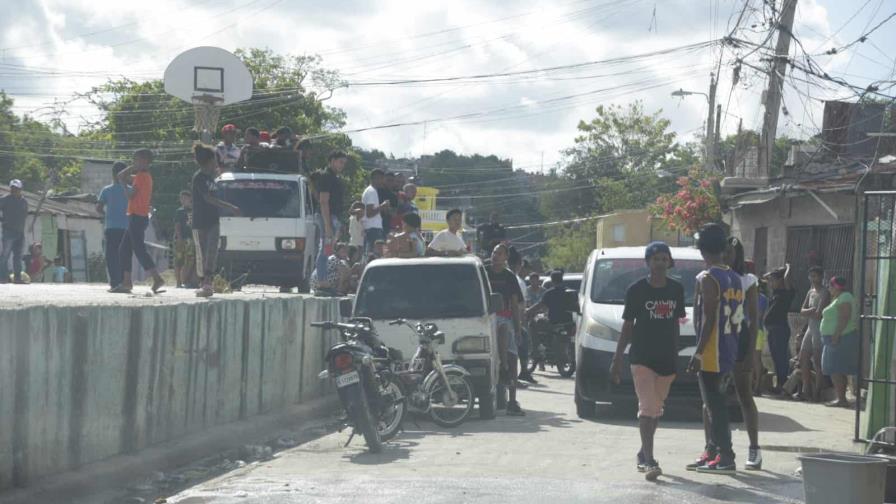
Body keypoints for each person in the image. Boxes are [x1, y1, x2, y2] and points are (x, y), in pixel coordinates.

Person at [610, 241, 685, 481]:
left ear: (669, 262)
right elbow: (628, 324)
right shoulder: (636, 290)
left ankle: (643, 451)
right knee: (647, 408)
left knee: (656, 409)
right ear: (648, 262)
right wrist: (618, 358)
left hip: (667, 359)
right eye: (656, 259)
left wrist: (677, 356)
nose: (660, 263)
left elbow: (676, 324)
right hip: (642, 357)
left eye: (664, 259)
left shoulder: (676, 289)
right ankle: (649, 460)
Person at [687, 223, 743, 475]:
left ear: (702, 250)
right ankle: (712, 451)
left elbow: (708, 319)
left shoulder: (707, 278)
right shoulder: (734, 277)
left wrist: (697, 352)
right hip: (729, 348)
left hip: (712, 352)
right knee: (715, 404)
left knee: (715, 406)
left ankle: (726, 456)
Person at [721, 237, 763, 470]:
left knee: (744, 395)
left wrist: (751, 352)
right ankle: (713, 447)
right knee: (713, 398)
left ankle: (754, 448)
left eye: (730, 252)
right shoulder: (711, 277)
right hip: (717, 341)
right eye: (723, 252)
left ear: (738, 254)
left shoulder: (748, 281)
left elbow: (754, 318)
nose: (726, 256)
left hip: (739, 339)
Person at [191, 143, 242, 298]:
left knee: (212, 250)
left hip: (213, 219)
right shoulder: (199, 178)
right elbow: (208, 198)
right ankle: (204, 282)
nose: (216, 161)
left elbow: (219, 173)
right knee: (204, 252)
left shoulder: (211, 177)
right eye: (214, 158)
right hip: (201, 219)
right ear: (208, 161)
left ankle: (208, 281)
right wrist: (230, 207)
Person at [112, 149, 166, 294]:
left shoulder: (142, 177)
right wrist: (130, 168)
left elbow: (130, 195)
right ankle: (127, 282)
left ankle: (156, 278)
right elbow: (120, 176)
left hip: (137, 216)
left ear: (144, 161)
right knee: (124, 249)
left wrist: (123, 184)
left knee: (139, 249)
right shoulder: (141, 176)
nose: (134, 162)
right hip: (136, 216)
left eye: (136, 160)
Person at [487, 243, 525, 416]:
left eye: (500, 253)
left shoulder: (510, 277)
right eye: (494, 252)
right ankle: (501, 366)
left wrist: (518, 329)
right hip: (485, 319)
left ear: (505, 258)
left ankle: (512, 400)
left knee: (513, 355)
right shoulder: (483, 272)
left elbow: (515, 305)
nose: (495, 255)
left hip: (505, 318)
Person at [820, 276, 859, 408]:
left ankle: (841, 399)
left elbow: (844, 317)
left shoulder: (845, 297)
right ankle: (840, 398)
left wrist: (836, 335)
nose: (829, 289)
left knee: (835, 368)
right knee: (834, 368)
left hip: (840, 337)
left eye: (830, 286)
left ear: (835, 286)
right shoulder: (838, 298)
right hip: (834, 338)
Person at [796, 266, 830, 402]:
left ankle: (817, 392)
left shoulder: (825, 292)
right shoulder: (810, 292)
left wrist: (810, 312)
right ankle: (806, 390)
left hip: (819, 329)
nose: (813, 279)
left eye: (815, 276)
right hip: (810, 329)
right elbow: (802, 311)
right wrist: (810, 310)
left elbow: (818, 314)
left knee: (817, 361)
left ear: (821, 277)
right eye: (811, 276)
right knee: (803, 358)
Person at [315, 151, 348, 285]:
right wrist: (328, 225)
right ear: (332, 160)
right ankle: (321, 281)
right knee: (325, 250)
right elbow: (323, 201)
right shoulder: (326, 176)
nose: (342, 165)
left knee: (328, 250)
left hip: (334, 218)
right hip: (327, 217)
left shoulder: (334, 177)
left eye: (344, 163)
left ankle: (324, 281)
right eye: (340, 162)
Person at [763, 264, 796, 393]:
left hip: (780, 329)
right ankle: (780, 384)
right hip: (772, 329)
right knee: (775, 357)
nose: (772, 283)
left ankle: (784, 384)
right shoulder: (776, 293)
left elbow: (787, 279)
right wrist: (772, 274)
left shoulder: (787, 292)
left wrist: (787, 267)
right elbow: (764, 278)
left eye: (775, 280)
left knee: (781, 357)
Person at [96, 162, 129, 289]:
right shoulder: (130, 190)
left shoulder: (106, 190)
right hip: (126, 228)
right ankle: (124, 281)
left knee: (112, 256)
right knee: (124, 255)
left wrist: (106, 215)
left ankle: (115, 283)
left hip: (111, 227)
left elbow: (98, 208)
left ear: (113, 174)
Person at [508, 247, 536, 385]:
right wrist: (520, 325)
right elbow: (519, 306)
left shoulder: (506, 277)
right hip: (513, 321)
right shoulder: (518, 281)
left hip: (501, 319)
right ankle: (519, 375)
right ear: (519, 265)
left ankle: (518, 375)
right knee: (519, 348)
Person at [0, 179, 28, 284]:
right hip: (8, 232)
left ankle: (17, 278)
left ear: (20, 189)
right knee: (5, 256)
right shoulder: (5, 199)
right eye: (12, 188)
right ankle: (2, 278)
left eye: (16, 188)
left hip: (20, 233)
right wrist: (2, 220)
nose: (14, 190)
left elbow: (24, 215)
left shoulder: (24, 201)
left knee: (18, 257)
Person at [361, 169, 390, 254]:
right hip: (373, 229)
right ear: (375, 179)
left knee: (371, 254)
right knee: (374, 255)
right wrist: (382, 206)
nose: (383, 181)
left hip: (372, 228)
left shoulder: (371, 191)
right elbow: (369, 213)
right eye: (381, 179)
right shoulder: (371, 192)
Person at [174, 190, 197, 289]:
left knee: (190, 260)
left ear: (190, 199)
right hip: (181, 239)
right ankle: (178, 282)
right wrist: (179, 238)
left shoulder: (195, 210)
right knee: (179, 261)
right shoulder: (180, 211)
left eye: (185, 198)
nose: (182, 200)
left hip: (191, 239)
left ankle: (187, 280)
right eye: (181, 198)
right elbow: (177, 225)